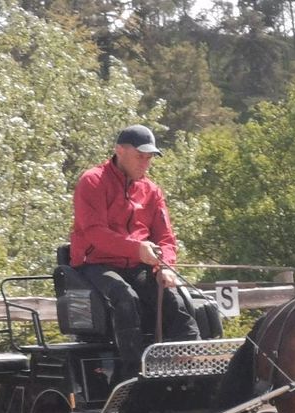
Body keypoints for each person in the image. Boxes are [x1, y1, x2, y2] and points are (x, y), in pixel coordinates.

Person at [70, 124, 200, 380]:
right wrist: (136, 249)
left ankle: (191, 361)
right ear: (120, 150)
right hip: (95, 264)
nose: (146, 162)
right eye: (141, 156)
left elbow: (165, 237)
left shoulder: (152, 190)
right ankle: (133, 372)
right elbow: (94, 232)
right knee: (124, 296)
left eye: (150, 157)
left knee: (174, 298)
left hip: (135, 263)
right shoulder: (93, 181)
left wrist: (165, 265)